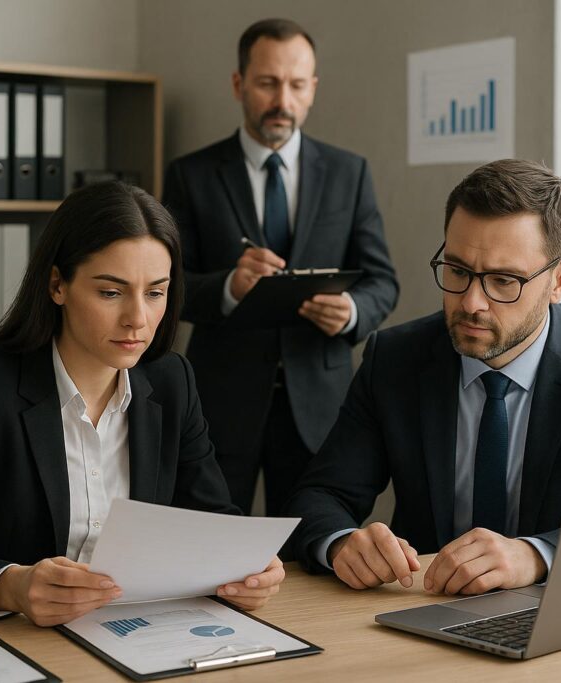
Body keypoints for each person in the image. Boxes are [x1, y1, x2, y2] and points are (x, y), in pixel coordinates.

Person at [0, 182, 284, 626]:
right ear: (57, 285)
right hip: (9, 644)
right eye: (111, 292)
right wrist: (11, 587)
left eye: (155, 292)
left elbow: (214, 523)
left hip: (133, 636)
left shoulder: (170, 381)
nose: (138, 319)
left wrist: (248, 569)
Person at [285, 159, 561, 596]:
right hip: (425, 611)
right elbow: (319, 496)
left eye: (503, 280)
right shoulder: (396, 358)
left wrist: (537, 554)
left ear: (560, 280)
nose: (472, 302)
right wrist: (342, 543)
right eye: (458, 271)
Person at [163, 18, 398, 516]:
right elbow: (167, 287)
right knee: (211, 552)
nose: (282, 101)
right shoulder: (191, 175)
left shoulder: (349, 172)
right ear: (238, 83)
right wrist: (229, 286)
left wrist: (353, 312)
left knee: (312, 556)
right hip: (220, 404)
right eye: (268, 83)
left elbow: (382, 279)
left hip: (320, 404)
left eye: (296, 85)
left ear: (312, 89)